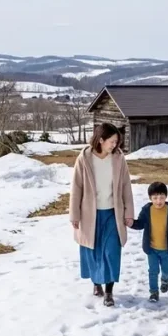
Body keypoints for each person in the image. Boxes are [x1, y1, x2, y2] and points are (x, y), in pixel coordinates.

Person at [68, 123, 135, 307]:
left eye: (117, 142)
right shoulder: (85, 159)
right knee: (94, 251)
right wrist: (74, 215)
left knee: (111, 252)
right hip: (90, 214)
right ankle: (96, 283)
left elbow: (125, 187)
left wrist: (129, 212)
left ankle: (109, 291)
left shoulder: (119, 159)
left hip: (113, 213)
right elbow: (76, 187)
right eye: (112, 141)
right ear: (101, 140)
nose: (115, 145)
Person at [129, 181, 168, 302]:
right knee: (153, 271)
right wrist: (132, 223)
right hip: (151, 248)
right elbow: (140, 223)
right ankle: (153, 292)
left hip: (167, 249)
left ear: (166, 197)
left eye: (161, 197)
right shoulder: (147, 210)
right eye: (155, 198)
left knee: (167, 270)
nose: (158, 201)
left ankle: (165, 280)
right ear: (150, 198)